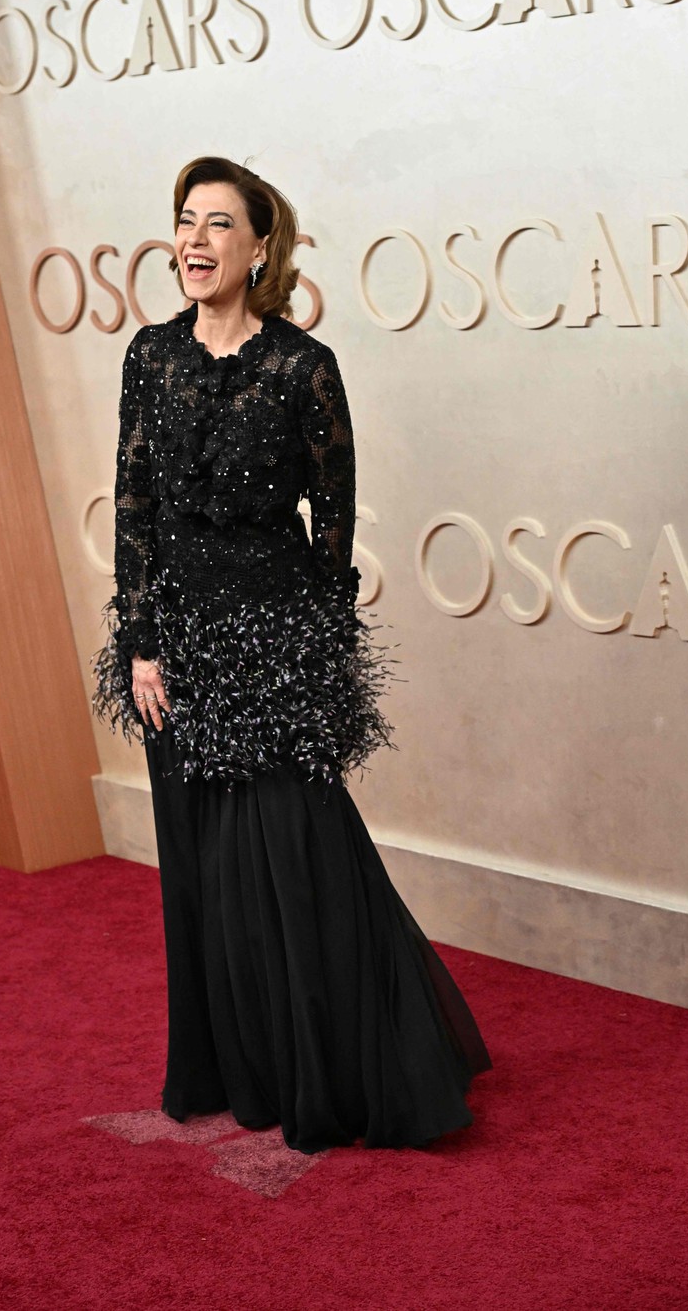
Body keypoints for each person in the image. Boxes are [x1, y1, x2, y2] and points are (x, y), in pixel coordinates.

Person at [92, 156, 492, 1154]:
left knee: (289, 856)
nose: (194, 240)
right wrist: (141, 642)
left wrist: (311, 655)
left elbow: (335, 523)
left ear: (260, 248)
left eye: (218, 224)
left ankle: (340, 1066)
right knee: (199, 868)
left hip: (272, 637)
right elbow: (134, 506)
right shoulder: (149, 355)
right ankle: (233, 1067)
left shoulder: (303, 366)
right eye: (185, 221)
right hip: (176, 637)